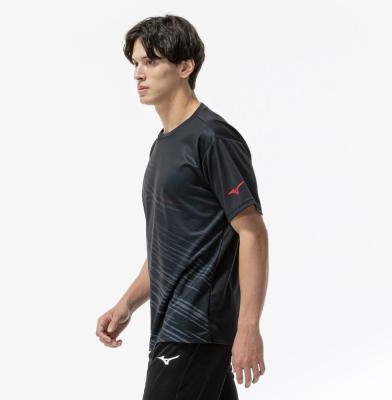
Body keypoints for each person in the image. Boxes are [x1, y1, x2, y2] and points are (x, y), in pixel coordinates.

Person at [96, 14, 269, 400]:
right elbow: (170, 245)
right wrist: (126, 304)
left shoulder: (212, 138)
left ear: (185, 67)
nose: (138, 74)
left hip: (196, 329)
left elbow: (252, 232)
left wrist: (248, 326)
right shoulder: (164, 144)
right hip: (171, 326)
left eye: (150, 61)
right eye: (135, 63)